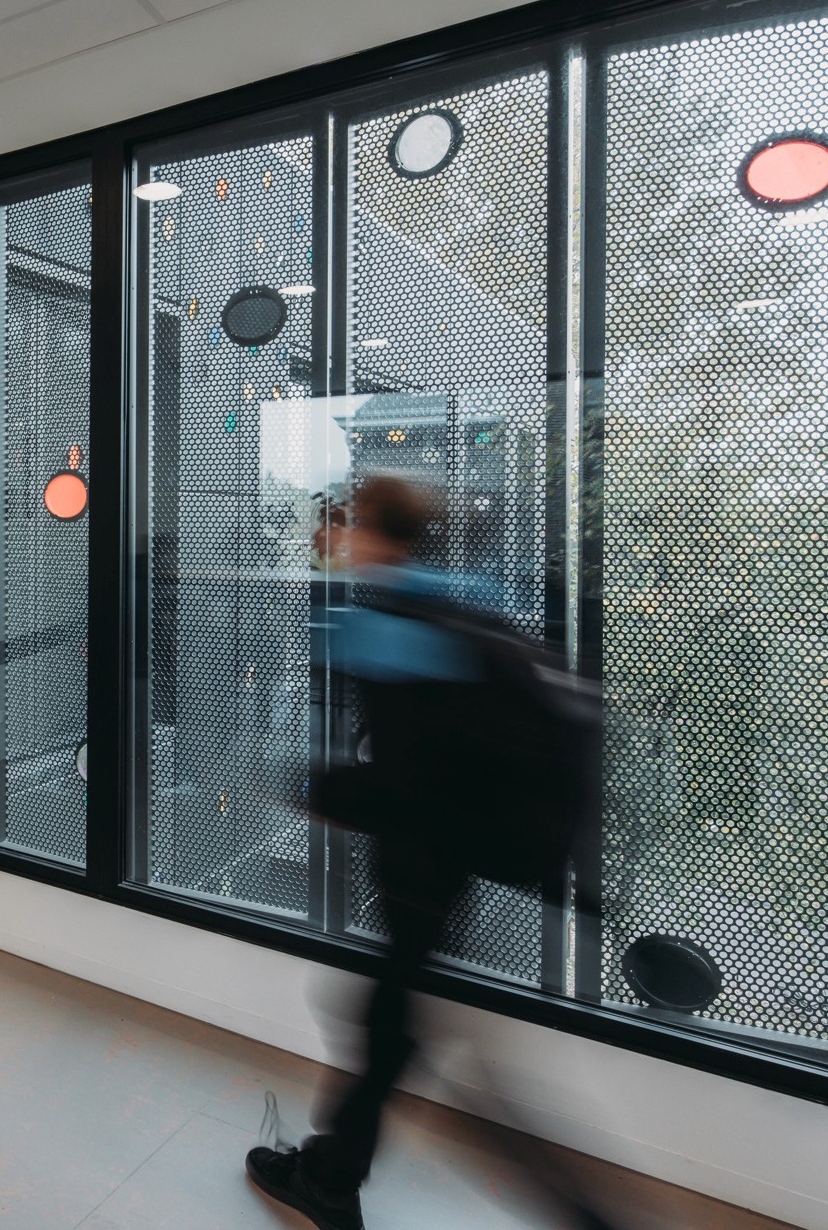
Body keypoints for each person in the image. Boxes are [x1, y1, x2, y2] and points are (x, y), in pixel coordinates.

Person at [246, 477, 606, 1230]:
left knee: (400, 1028)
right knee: (392, 1022)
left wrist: (320, 790)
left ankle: (334, 1178)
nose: (331, 537)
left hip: (425, 856)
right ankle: (332, 1172)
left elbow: (401, 775)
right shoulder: (461, 602)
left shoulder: (396, 628)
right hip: (452, 849)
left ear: (375, 534)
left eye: (342, 524)